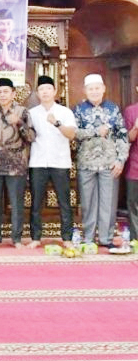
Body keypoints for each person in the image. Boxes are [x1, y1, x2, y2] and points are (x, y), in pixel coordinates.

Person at [73, 74, 128, 248]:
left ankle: (106, 239)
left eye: (97, 88)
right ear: (85, 90)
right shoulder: (79, 109)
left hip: (109, 163)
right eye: (91, 89)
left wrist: (121, 160)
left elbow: (122, 135)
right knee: (87, 203)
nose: (94, 91)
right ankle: (88, 239)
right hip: (86, 163)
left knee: (108, 203)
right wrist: (96, 131)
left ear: (103, 89)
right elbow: (74, 134)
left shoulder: (113, 108)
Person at [27, 75, 77, 249]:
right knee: (36, 202)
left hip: (60, 162)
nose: (45, 92)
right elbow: (28, 136)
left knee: (64, 202)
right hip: (38, 162)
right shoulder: (32, 113)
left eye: (48, 88)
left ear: (55, 91)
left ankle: (67, 238)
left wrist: (57, 123)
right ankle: (35, 237)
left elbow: (71, 135)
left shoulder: (65, 112)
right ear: (37, 93)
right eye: (41, 89)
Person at [0, 77, 35, 249]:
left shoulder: (23, 111)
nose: (2, 95)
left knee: (16, 204)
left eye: (6, 91)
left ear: (13, 94)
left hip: (17, 165)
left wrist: (19, 122)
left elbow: (32, 137)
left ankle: (17, 239)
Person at [123, 84, 138, 241]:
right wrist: (135, 128)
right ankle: (136, 240)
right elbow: (128, 138)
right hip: (135, 165)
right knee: (133, 204)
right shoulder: (131, 111)